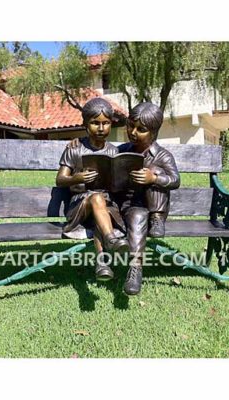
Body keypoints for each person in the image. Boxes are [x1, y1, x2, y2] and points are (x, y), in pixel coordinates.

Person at [56, 98, 129, 282]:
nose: (101, 128)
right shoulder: (75, 149)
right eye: (95, 123)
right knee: (97, 200)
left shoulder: (114, 151)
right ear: (85, 124)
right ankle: (111, 241)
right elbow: (60, 179)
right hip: (80, 206)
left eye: (106, 123)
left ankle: (102, 263)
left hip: (105, 206)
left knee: (100, 204)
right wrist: (76, 178)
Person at [117, 102, 180, 295]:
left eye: (141, 129)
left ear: (153, 131)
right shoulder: (122, 150)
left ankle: (157, 219)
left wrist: (154, 178)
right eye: (130, 126)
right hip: (130, 206)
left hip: (154, 204)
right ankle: (135, 269)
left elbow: (175, 180)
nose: (133, 132)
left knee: (155, 172)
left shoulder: (162, 155)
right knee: (137, 216)